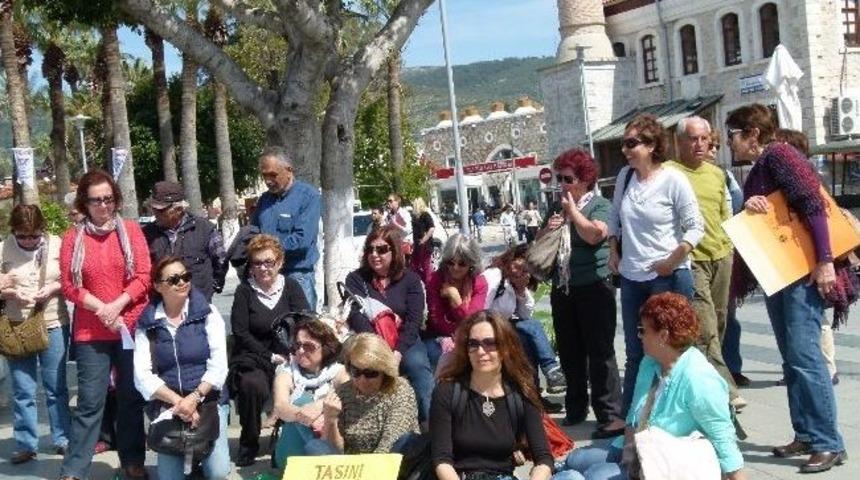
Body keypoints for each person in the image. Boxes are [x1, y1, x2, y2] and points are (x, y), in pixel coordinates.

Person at [727, 104, 849, 473]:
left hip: (801, 272)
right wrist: (750, 205)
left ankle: (828, 442)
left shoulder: (780, 154)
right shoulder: (759, 168)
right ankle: (806, 434)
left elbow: (813, 204)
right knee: (792, 358)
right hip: (779, 272)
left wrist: (825, 261)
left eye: (732, 134)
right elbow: (770, 213)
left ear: (752, 133)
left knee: (806, 357)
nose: (729, 142)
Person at [553, 293, 746, 480]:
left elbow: (723, 438)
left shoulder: (700, 379)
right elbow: (633, 416)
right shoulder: (650, 362)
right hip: (637, 448)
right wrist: (628, 452)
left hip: (666, 462)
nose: (639, 336)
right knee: (575, 460)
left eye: (642, 330)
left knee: (592, 475)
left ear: (663, 336)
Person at [607, 114, 704, 414]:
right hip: (632, 277)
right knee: (636, 352)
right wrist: (613, 250)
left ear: (651, 146)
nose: (625, 149)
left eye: (631, 143)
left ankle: (680, 412)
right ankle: (632, 419)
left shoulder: (673, 179)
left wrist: (671, 261)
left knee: (672, 350)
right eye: (624, 143)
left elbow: (695, 227)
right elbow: (614, 217)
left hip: (668, 276)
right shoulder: (625, 177)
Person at [59, 169, 151, 480]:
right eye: (96, 200)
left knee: (130, 398)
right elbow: (70, 286)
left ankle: (133, 461)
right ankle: (74, 469)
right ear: (84, 203)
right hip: (91, 331)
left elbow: (144, 276)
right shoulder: (73, 238)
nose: (103, 206)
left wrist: (117, 306)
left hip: (128, 326)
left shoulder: (131, 231)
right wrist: (102, 308)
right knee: (90, 402)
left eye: (108, 199)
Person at [538, 148, 625, 436]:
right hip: (564, 286)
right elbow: (539, 244)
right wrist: (548, 230)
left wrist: (572, 213)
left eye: (568, 179)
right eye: (559, 178)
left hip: (595, 285)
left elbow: (594, 234)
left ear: (585, 180)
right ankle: (575, 408)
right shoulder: (555, 208)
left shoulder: (599, 205)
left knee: (599, 351)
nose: (562, 184)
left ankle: (609, 413)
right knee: (569, 351)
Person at [665, 117, 745, 410]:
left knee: (720, 321)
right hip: (692, 258)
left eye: (704, 138)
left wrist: (730, 248)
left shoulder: (717, 173)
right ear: (679, 142)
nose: (699, 144)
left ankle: (701, 379)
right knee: (705, 324)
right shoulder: (669, 172)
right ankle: (727, 391)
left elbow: (726, 212)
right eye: (693, 138)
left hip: (721, 255)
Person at [133, 257, 230, 480]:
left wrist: (194, 399)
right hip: (170, 405)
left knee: (218, 473)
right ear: (158, 286)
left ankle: (199, 462)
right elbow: (142, 376)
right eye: (174, 279)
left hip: (207, 400)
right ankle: (191, 460)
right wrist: (180, 403)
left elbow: (219, 366)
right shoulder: (147, 323)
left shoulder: (208, 314)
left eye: (186, 276)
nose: (182, 283)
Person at [431, 310, 553, 480]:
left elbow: (544, 458)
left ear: (506, 348)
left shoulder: (522, 392)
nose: (481, 351)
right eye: (473, 344)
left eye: (490, 343)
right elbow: (441, 460)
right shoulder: (447, 391)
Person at [228, 234, 311, 467]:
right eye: (257, 263)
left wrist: (294, 352)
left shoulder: (291, 286)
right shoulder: (244, 291)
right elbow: (240, 332)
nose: (263, 268)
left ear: (280, 262)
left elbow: (305, 322)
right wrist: (271, 357)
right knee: (251, 384)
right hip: (255, 356)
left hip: (291, 356)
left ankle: (291, 439)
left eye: (269, 262)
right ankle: (249, 442)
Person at [1, 205, 70, 464]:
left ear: (43, 229)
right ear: (13, 231)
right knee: (23, 389)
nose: (29, 241)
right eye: (22, 236)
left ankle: (62, 438)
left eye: (34, 235)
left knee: (56, 387)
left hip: (53, 322)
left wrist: (53, 288)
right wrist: (10, 292)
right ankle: (26, 444)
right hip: (16, 325)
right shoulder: (3, 248)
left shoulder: (58, 245)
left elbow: (73, 279)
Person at [344, 226, 434, 422]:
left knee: (418, 369)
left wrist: (398, 352)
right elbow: (355, 316)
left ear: (395, 251)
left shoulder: (411, 280)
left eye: (382, 249)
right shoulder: (355, 279)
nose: (375, 254)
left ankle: (429, 423)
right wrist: (381, 349)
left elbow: (414, 320)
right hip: (370, 341)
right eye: (370, 249)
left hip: (405, 339)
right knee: (364, 372)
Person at [481, 245, 566, 413]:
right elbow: (481, 306)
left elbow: (526, 314)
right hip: (488, 325)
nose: (518, 272)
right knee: (532, 327)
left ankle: (533, 397)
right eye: (517, 266)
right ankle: (551, 370)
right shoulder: (495, 276)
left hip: (504, 326)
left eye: (525, 270)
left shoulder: (514, 284)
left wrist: (520, 290)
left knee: (528, 341)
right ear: (510, 258)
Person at [308, 333, 420, 455]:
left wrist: (365, 466)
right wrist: (331, 420)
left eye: (370, 373)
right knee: (314, 446)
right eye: (355, 371)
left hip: (392, 459)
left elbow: (391, 444)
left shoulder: (400, 390)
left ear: (384, 371)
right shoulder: (344, 393)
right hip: (354, 461)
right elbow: (338, 450)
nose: (362, 380)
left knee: (401, 442)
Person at [272, 319, 349, 468]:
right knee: (302, 401)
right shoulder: (287, 371)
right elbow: (280, 407)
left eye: (308, 346)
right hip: (292, 452)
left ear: (325, 347)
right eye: (297, 345)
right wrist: (307, 416)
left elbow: (348, 395)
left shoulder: (339, 372)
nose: (301, 351)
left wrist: (320, 406)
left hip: (329, 443)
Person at [251, 146, 321, 309]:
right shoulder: (264, 200)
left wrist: (268, 253)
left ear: (289, 170)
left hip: (296, 276)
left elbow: (301, 240)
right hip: (266, 276)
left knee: (301, 323)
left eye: (273, 175)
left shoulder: (308, 197)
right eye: (264, 175)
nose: (268, 181)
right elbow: (254, 234)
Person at [142, 181, 228, 301]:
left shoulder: (205, 229)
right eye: (154, 208)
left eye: (161, 210)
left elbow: (221, 261)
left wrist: (211, 288)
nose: (155, 213)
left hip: (198, 304)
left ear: (179, 209)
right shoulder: (146, 234)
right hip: (161, 305)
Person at [424, 234, 488, 369]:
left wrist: (455, 298)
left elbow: (472, 320)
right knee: (441, 354)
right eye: (451, 262)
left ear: (471, 264)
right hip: (439, 335)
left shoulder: (479, 282)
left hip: (470, 334)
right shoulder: (435, 279)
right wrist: (456, 335)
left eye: (462, 263)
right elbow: (436, 319)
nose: (455, 267)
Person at [411, 197, 436, 285]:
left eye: (414, 204)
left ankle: (430, 284)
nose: (413, 206)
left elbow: (432, 228)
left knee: (426, 266)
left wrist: (424, 239)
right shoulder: (415, 217)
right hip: (417, 245)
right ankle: (426, 280)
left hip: (425, 245)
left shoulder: (425, 215)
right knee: (413, 266)